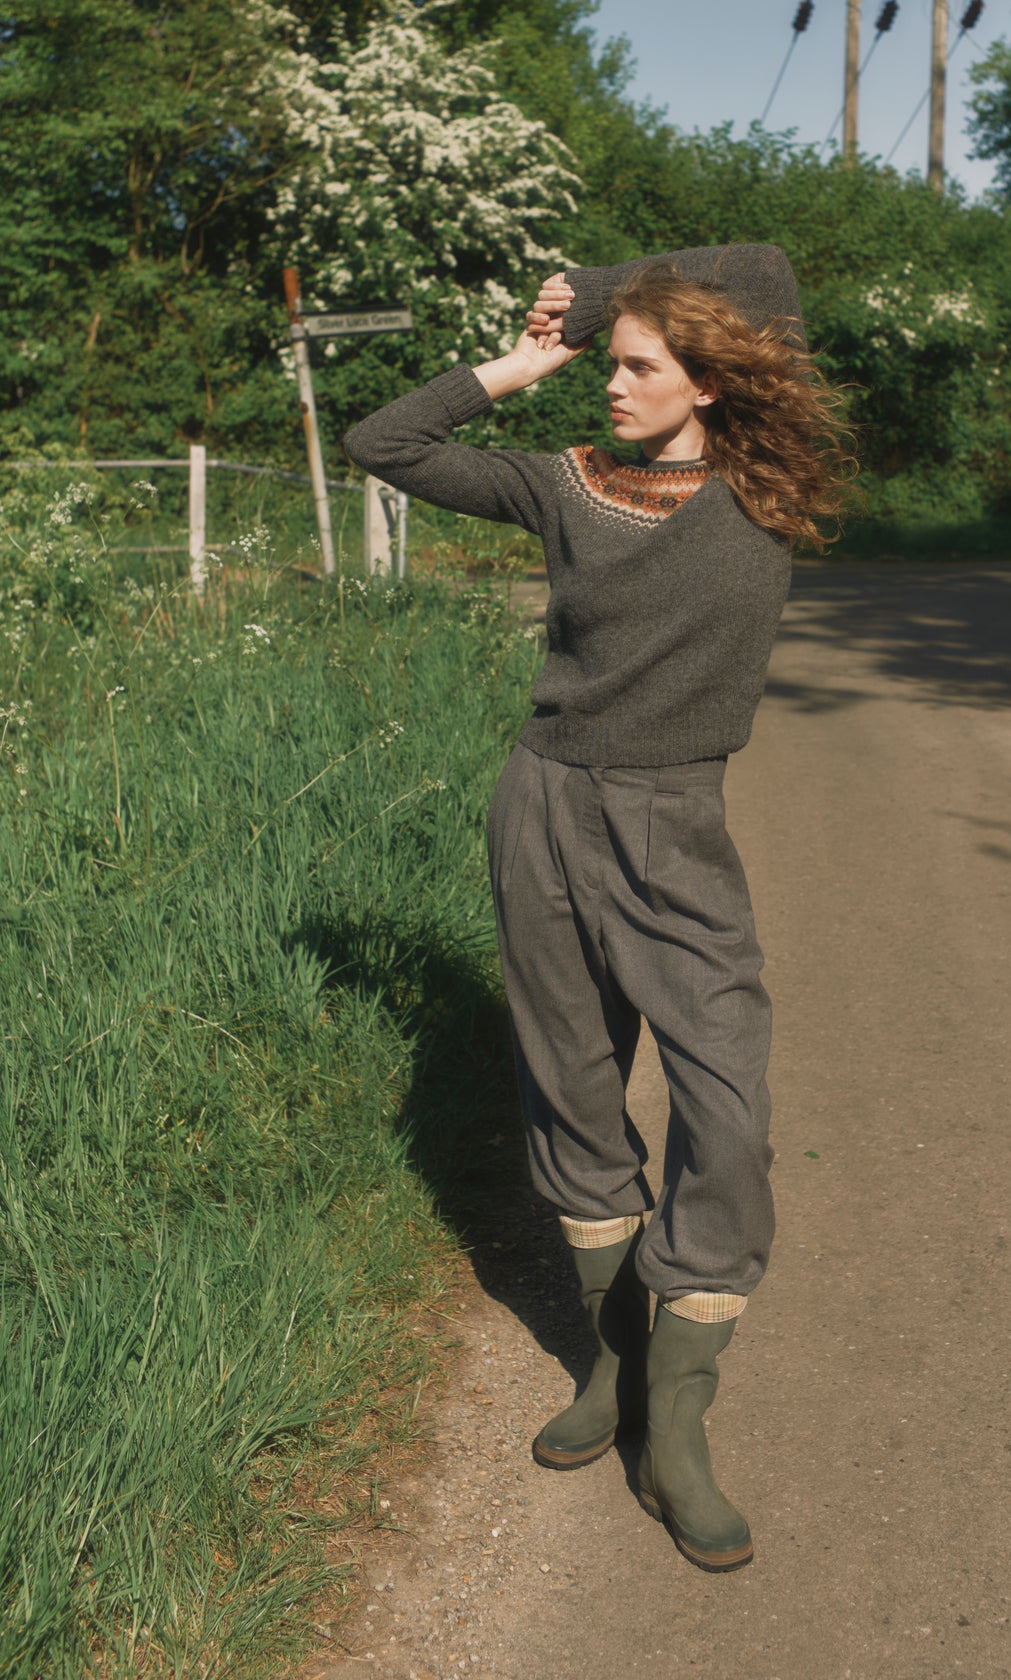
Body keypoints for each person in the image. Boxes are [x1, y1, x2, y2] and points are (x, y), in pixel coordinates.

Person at [344, 243, 848, 1573]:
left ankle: (679, 1426)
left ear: (714, 376)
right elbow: (382, 440)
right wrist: (540, 349)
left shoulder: (761, 497)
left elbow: (769, 274)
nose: (611, 388)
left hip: (675, 827)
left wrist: (605, 280)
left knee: (724, 1110)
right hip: (544, 808)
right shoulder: (565, 487)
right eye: (608, 367)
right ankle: (615, 1376)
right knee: (570, 1093)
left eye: (637, 368)